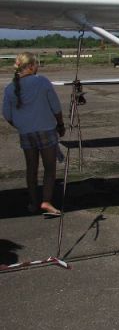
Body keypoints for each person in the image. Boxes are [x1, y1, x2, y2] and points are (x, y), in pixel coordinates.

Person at [3, 52, 65, 215]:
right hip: (45, 130)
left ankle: (33, 202)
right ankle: (46, 201)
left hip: (26, 133)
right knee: (50, 168)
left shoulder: (10, 88)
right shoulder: (42, 81)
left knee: (31, 168)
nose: (38, 67)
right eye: (36, 64)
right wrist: (60, 124)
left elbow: (8, 116)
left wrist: (22, 125)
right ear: (31, 66)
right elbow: (55, 106)